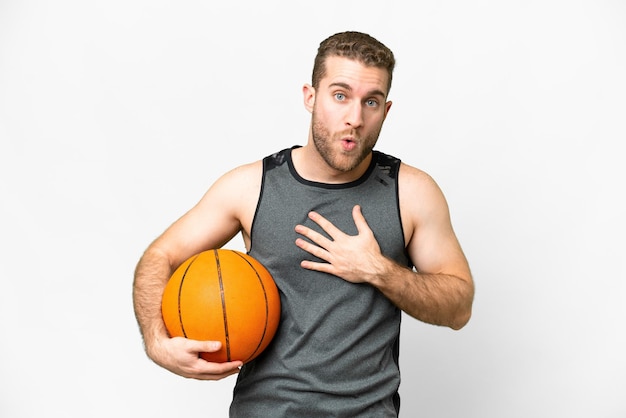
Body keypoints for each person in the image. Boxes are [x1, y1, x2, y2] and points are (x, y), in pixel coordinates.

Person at [133, 30, 474, 417]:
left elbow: (459, 307)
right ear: (311, 98)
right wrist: (157, 342)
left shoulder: (411, 193)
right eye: (340, 95)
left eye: (371, 102)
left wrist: (379, 270)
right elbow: (161, 255)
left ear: (386, 110)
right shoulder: (250, 187)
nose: (355, 118)